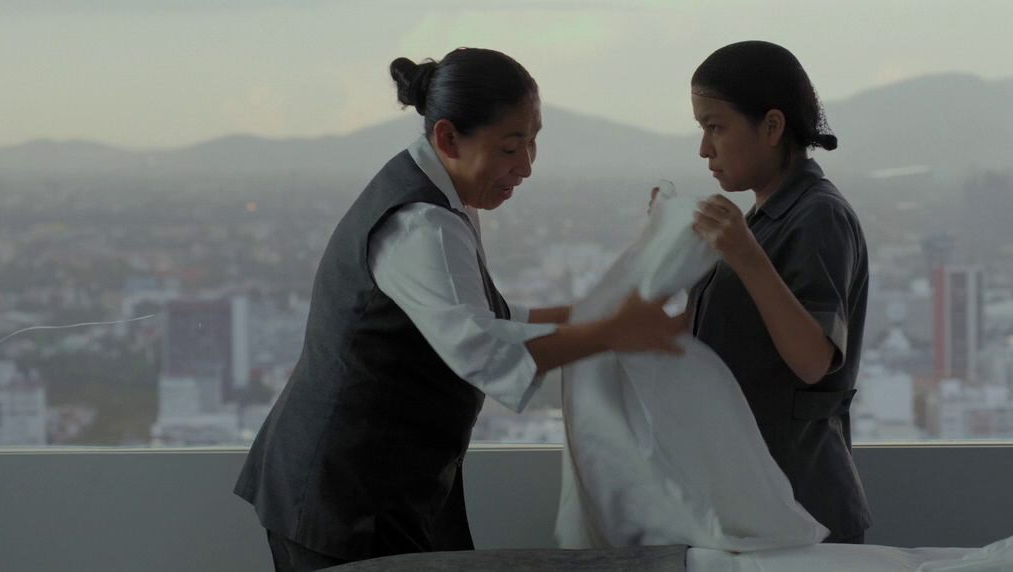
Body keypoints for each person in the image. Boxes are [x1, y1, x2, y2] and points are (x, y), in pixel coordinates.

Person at [235, 47, 688, 571]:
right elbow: (482, 348)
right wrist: (614, 331)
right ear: (449, 138)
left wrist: (603, 313)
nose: (526, 167)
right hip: (345, 491)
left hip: (374, 478)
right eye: (510, 148)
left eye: (533, 143)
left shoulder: (445, 198)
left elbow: (489, 318)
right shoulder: (420, 222)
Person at [679, 40, 872, 544]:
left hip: (799, 504)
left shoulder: (819, 216)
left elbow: (813, 360)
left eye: (716, 127)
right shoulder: (759, 221)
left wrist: (744, 255)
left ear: (771, 127)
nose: (705, 150)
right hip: (747, 497)